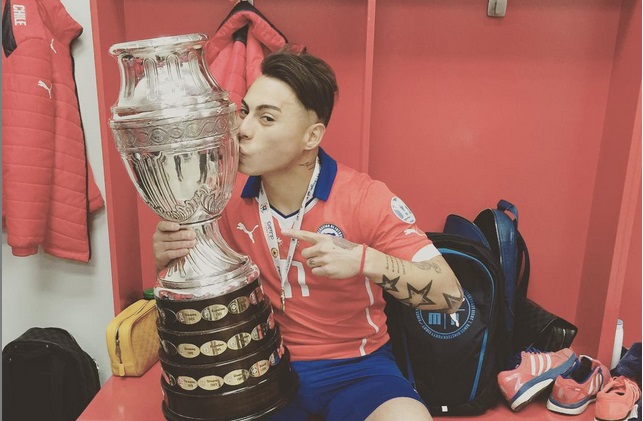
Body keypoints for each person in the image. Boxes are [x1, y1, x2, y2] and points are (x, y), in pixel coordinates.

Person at [153, 47, 463, 421]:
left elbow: (450, 295)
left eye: (267, 118)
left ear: (311, 136)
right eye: (245, 112)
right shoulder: (219, 199)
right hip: (261, 367)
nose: (243, 130)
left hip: (359, 368)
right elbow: (199, 301)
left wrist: (363, 260)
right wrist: (171, 258)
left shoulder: (364, 198)